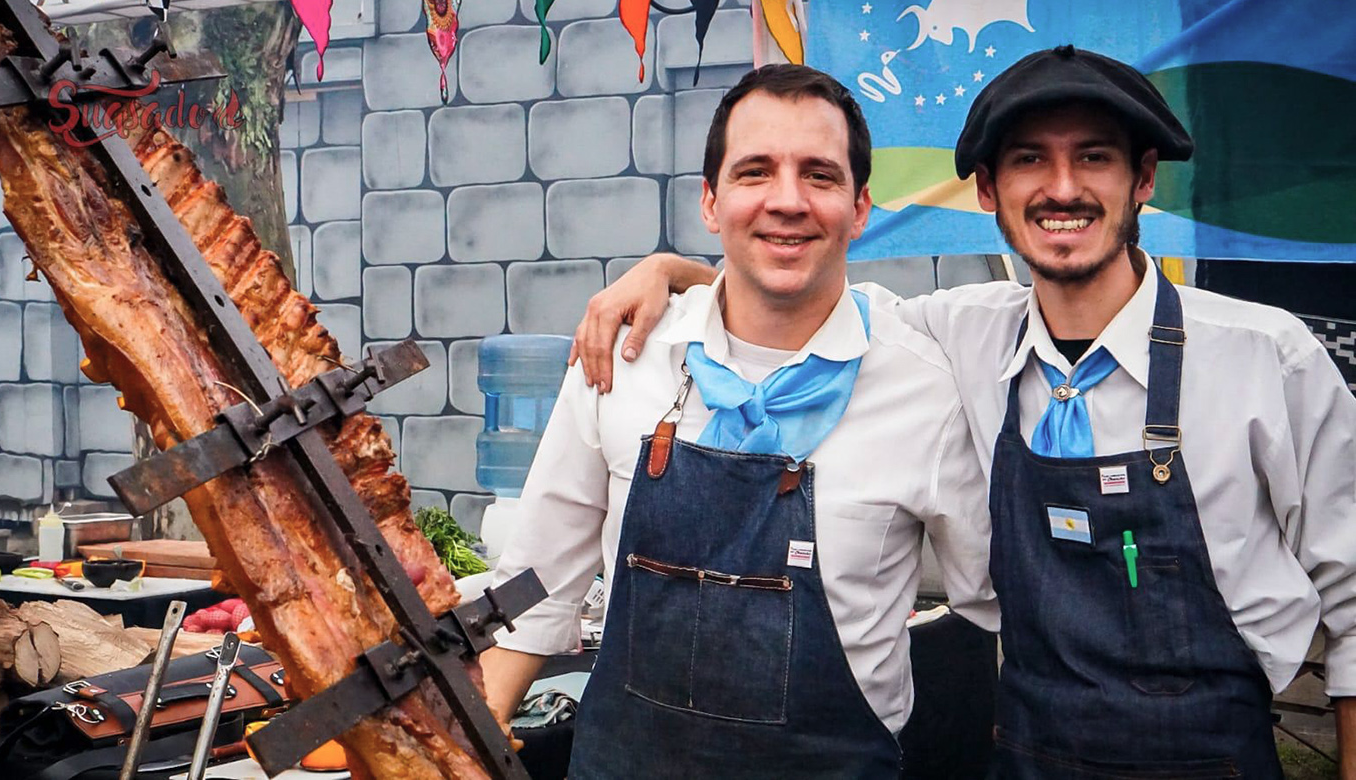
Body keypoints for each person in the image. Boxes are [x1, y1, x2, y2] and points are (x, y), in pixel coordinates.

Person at [572, 46, 1356, 777]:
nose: (1061, 188)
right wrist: (668, 273)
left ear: (1142, 178)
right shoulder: (954, 334)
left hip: (1214, 756)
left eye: (1093, 156)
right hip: (1025, 750)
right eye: (1027, 161)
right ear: (987, 191)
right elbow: (794, 288)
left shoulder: (1266, 358)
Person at [480, 64, 997, 779]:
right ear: (709, 201)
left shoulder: (925, 386)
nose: (786, 201)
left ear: (859, 208)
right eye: (755, 171)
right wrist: (455, 745)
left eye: (818, 175)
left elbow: (989, 604)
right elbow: (534, 588)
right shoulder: (623, 356)